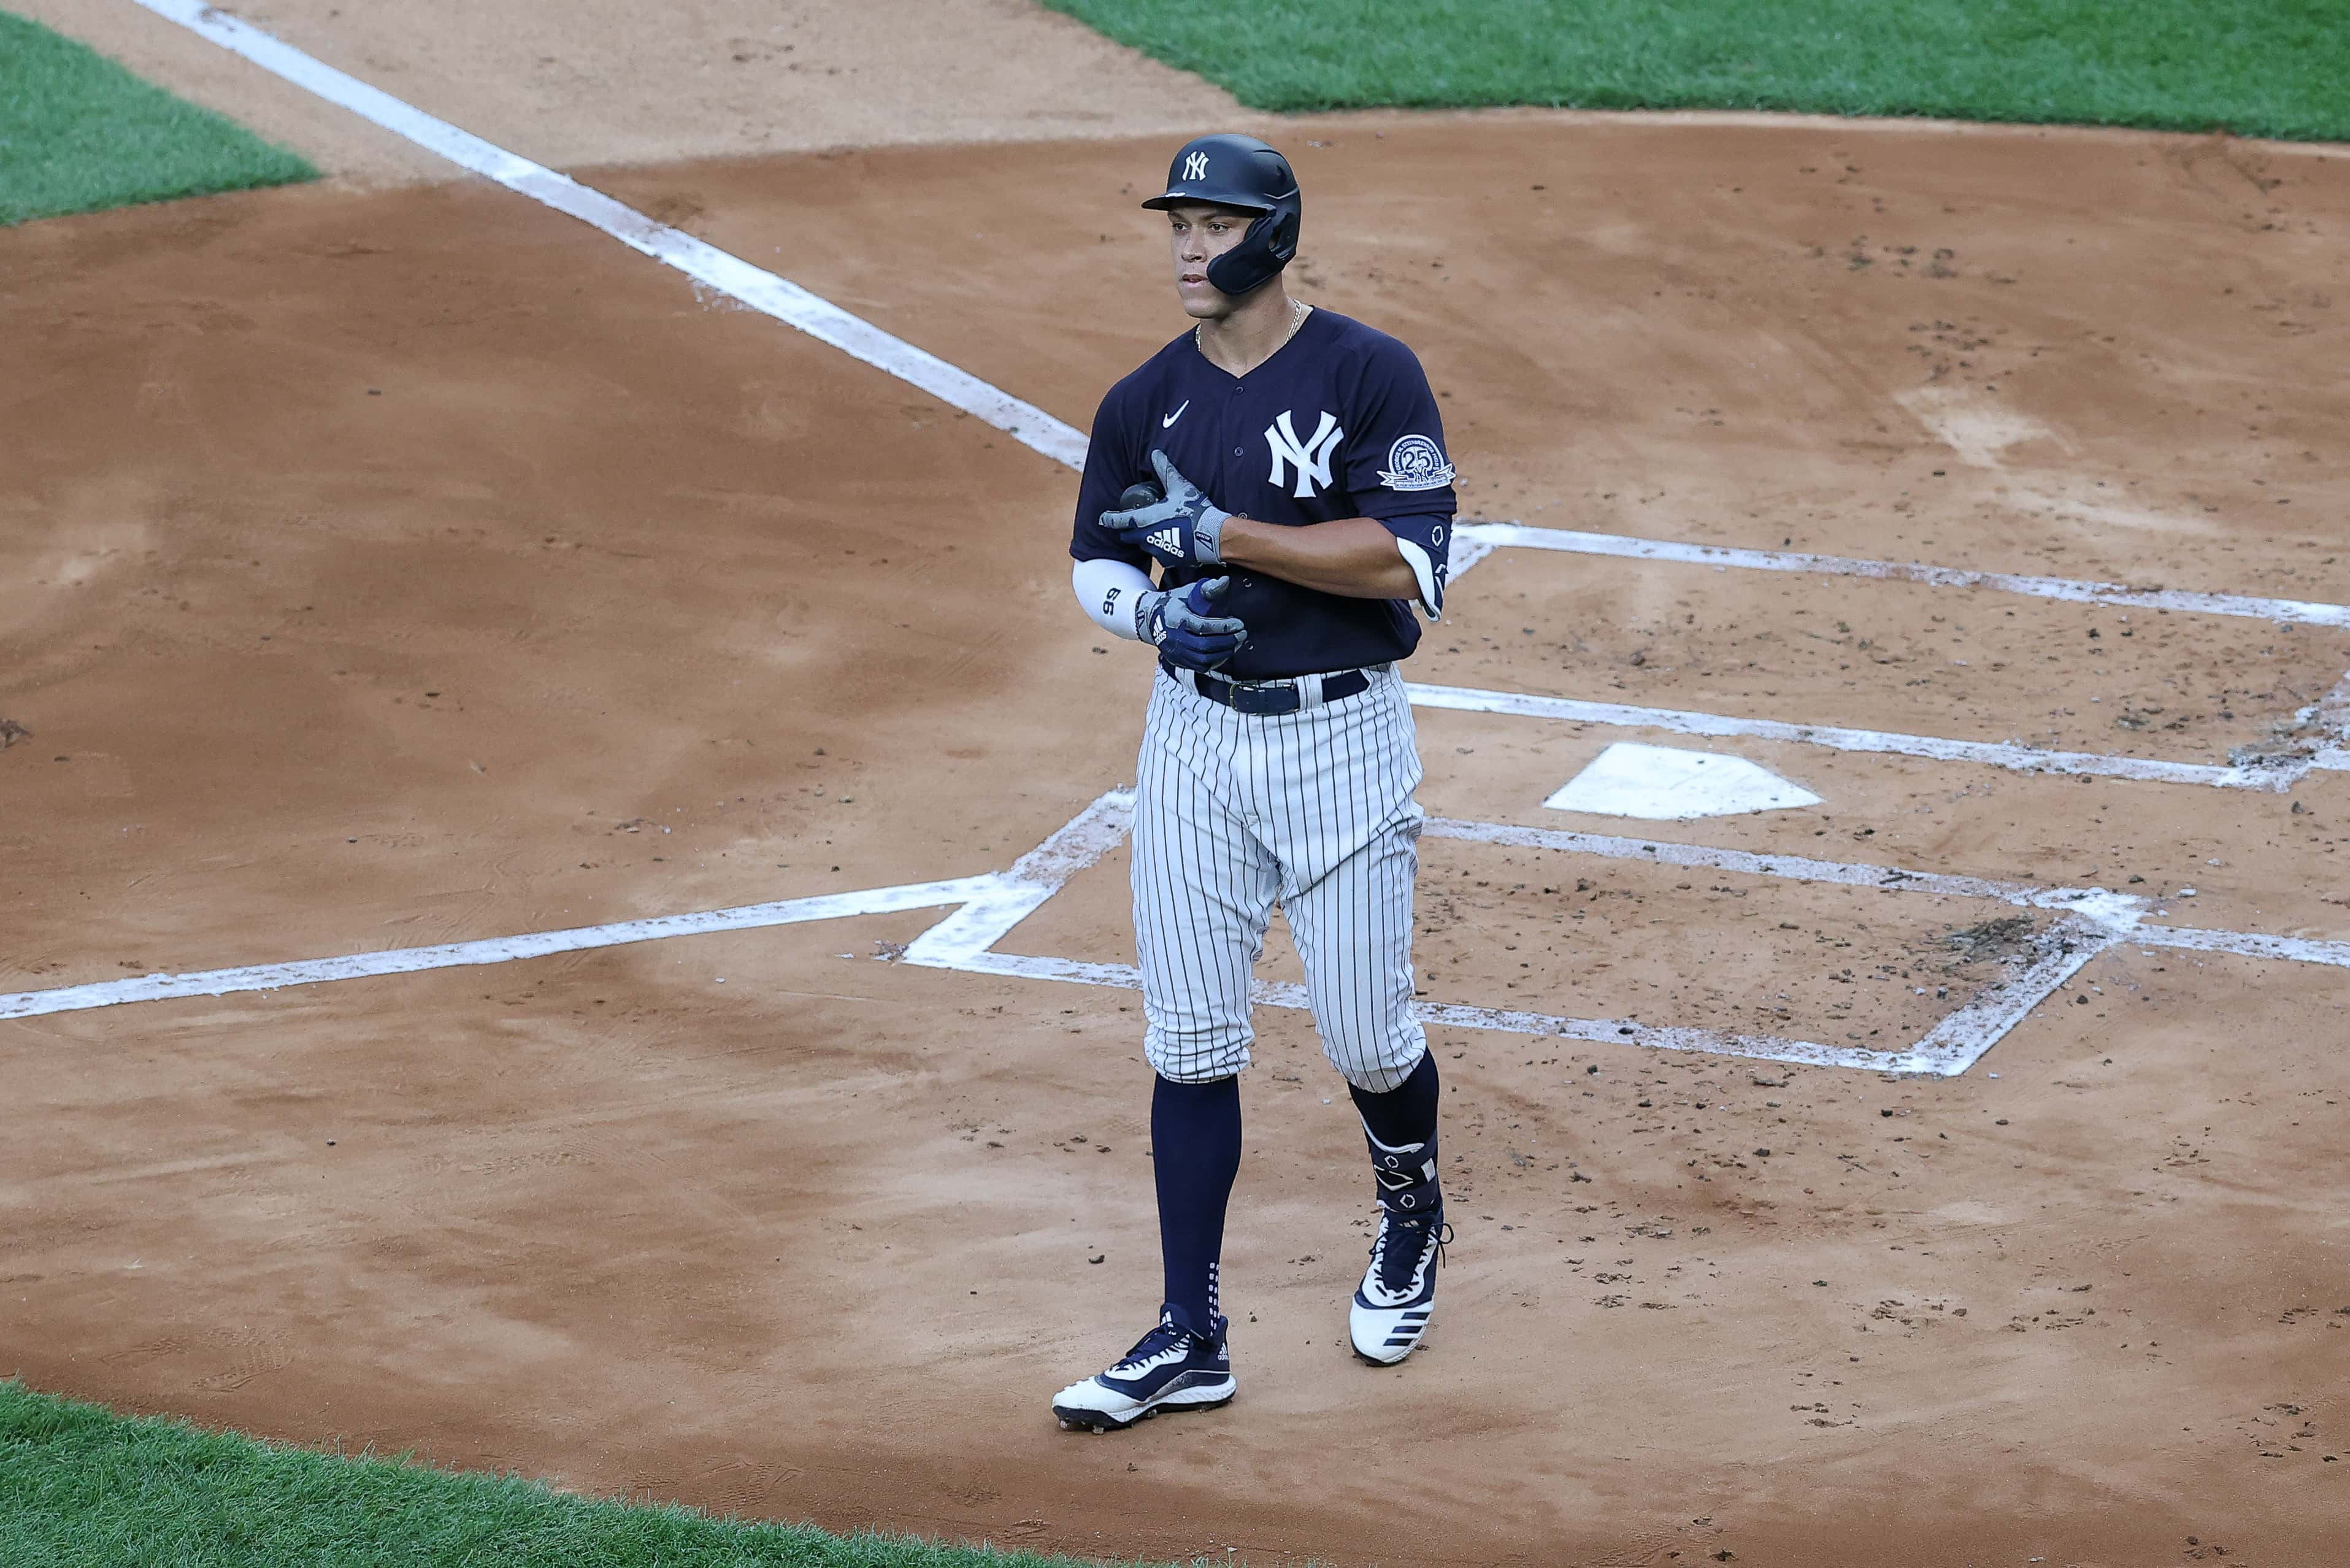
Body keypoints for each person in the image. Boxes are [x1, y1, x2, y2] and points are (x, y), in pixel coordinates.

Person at [1052, 133, 1461, 1432]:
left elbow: (1401, 561)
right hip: (1192, 745)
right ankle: (1190, 1334)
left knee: (1366, 1033)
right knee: (1187, 1041)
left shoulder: (1365, 373)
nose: (1187, 246)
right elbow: (1095, 566)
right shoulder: (1141, 401)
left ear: (1273, 233)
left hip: (1339, 743)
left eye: (1214, 224)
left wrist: (1224, 538)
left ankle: (1410, 1216)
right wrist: (1147, 622)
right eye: (1176, 222)